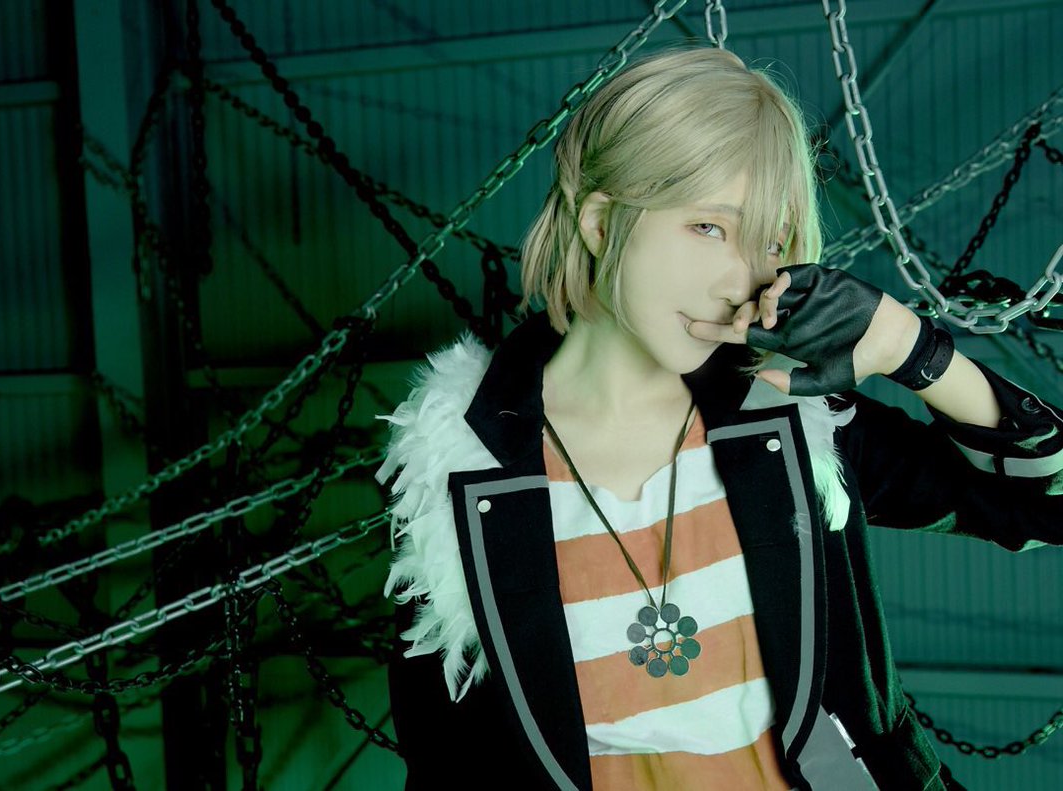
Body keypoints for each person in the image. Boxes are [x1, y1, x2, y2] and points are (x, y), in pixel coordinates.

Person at [374, 46, 1062, 791]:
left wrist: (911, 349)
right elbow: (447, 766)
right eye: (709, 227)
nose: (743, 279)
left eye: (769, 242)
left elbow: (1044, 504)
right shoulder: (459, 462)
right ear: (602, 222)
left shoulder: (787, 417)